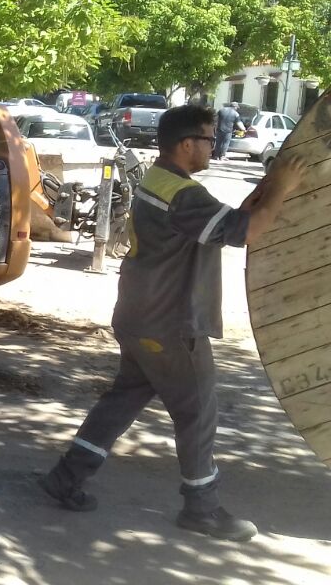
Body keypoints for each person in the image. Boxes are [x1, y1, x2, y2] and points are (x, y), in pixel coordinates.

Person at [39, 105, 308, 542]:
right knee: (197, 411)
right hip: (169, 325)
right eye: (208, 139)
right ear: (187, 144)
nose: (214, 146)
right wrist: (284, 188)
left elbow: (227, 223)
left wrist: (265, 189)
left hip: (139, 316)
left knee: (123, 400)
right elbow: (246, 233)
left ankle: (66, 476)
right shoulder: (184, 195)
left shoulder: (161, 181)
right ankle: (202, 508)